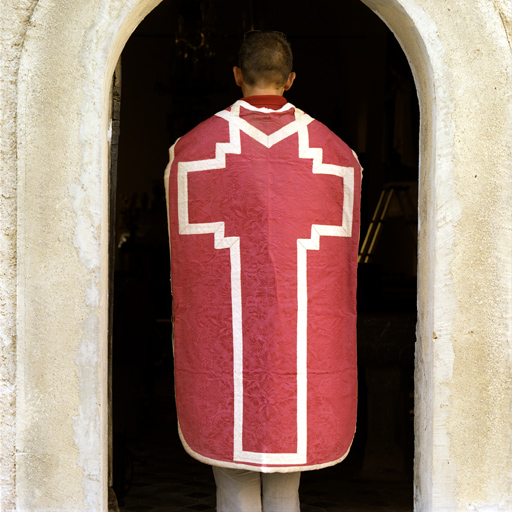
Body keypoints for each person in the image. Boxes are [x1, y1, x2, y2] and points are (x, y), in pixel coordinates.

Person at [164, 30, 362, 512]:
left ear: (236, 75)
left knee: (232, 487)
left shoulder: (193, 150)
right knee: (285, 491)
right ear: (291, 79)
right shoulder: (336, 155)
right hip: (299, 355)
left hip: (225, 357)